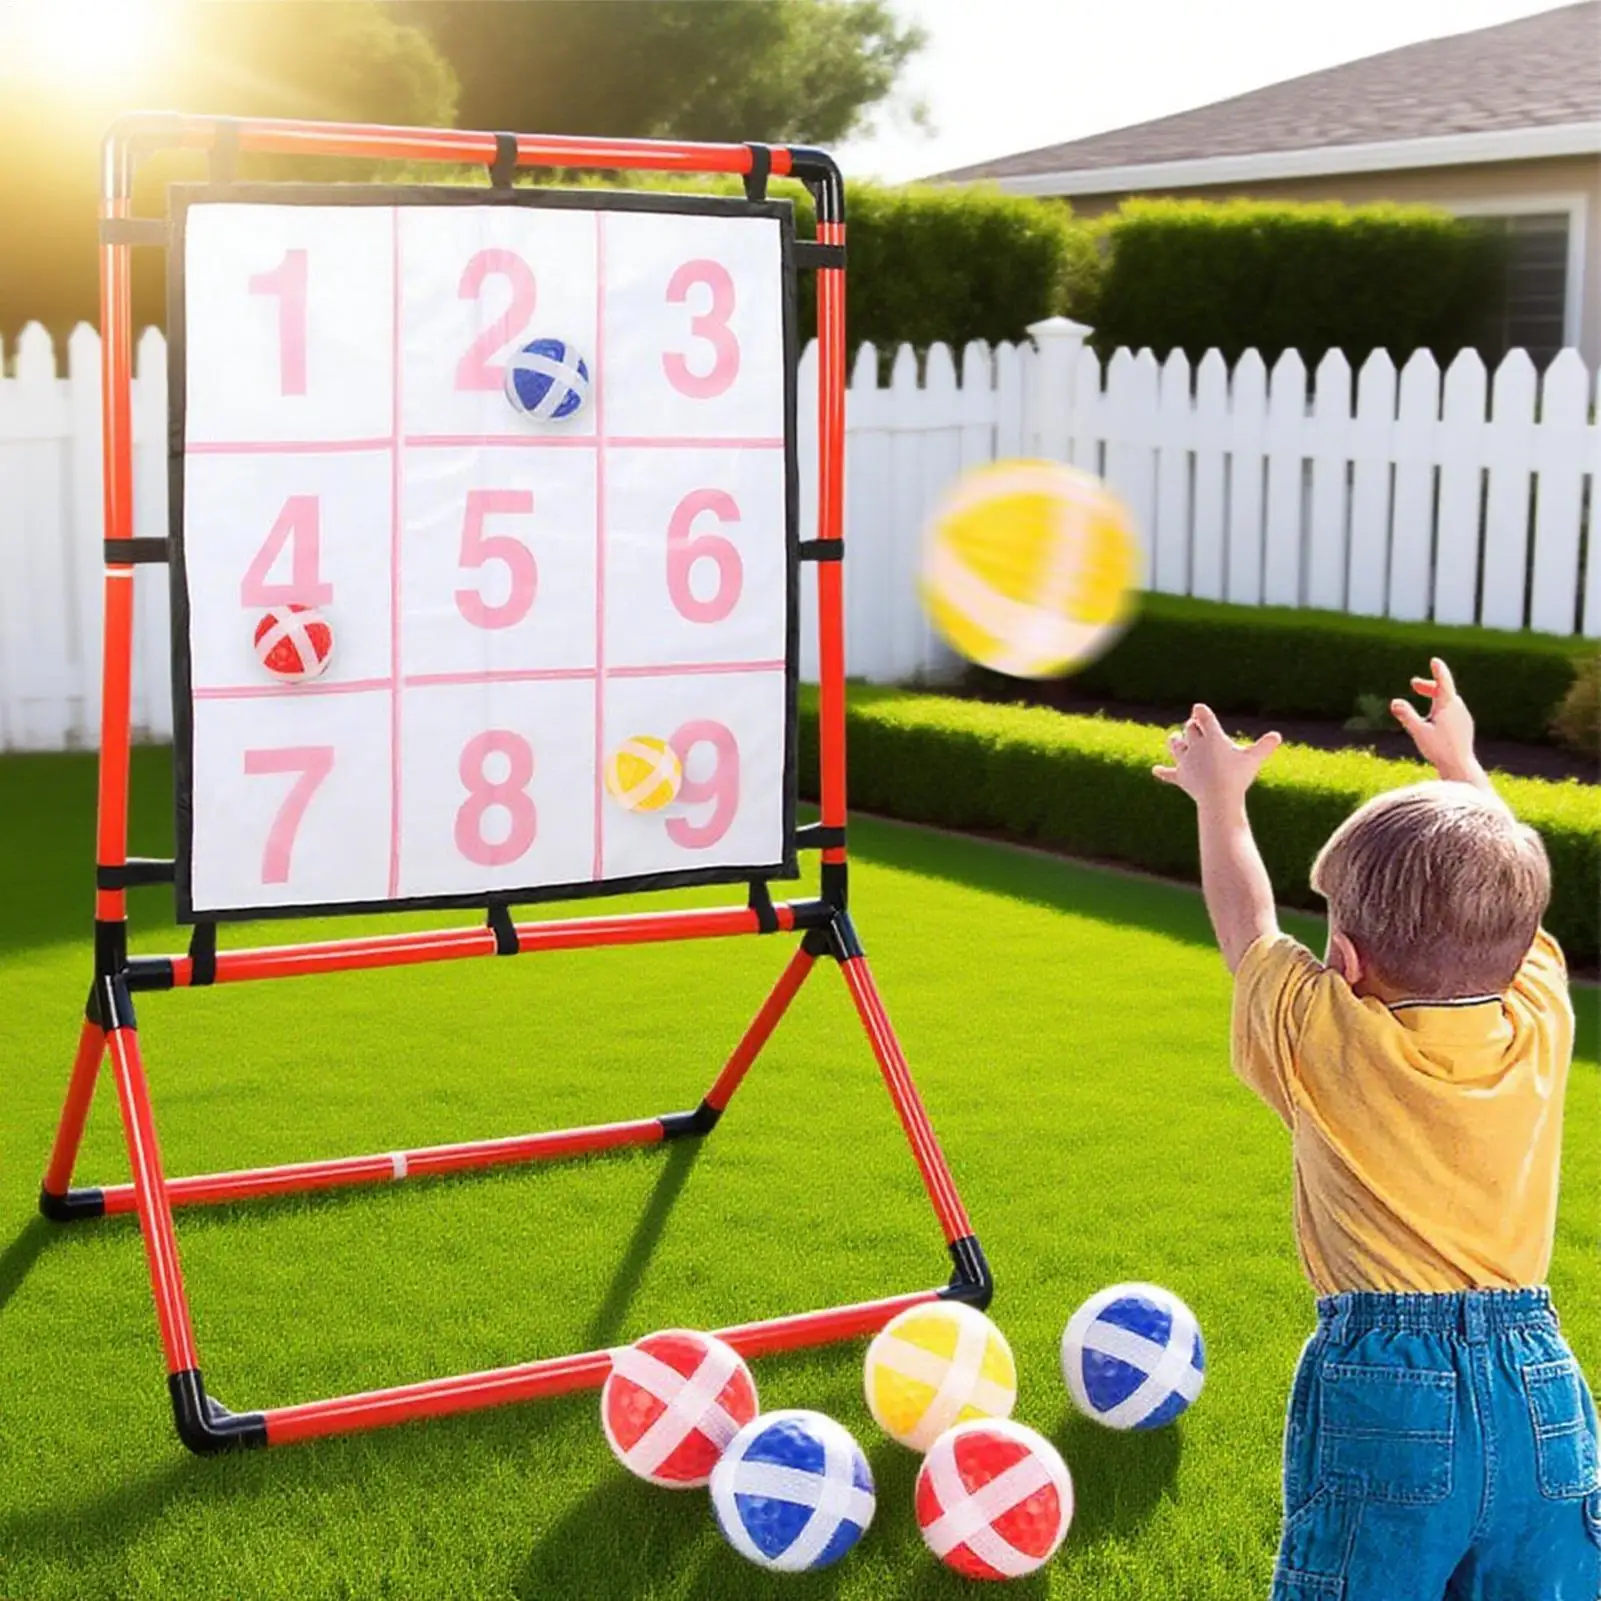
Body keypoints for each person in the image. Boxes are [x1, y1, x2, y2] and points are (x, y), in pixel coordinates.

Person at [1154, 658, 1600, 1599]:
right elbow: (1512, 904)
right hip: (1544, 1389)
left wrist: (1219, 799)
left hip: (1386, 1386)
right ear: (1519, 948)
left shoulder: (1328, 1040)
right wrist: (1462, 766)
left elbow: (1247, 928)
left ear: (1345, 959)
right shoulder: (1540, 1016)